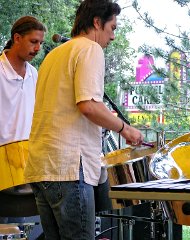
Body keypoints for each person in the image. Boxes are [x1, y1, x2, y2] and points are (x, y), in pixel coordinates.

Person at [24, 0, 144, 239]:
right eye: (113, 28)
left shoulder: (53, 55)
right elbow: (88, 105)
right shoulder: (90, 49)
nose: (113, 36)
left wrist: (104, 117)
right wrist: (125, 129)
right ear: (97, 23)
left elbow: (69, 106)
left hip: (42, 167)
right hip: (68, 167)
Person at [0, 16, 46, 224]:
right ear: (17, 38)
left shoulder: (34, 74)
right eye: (33, 41)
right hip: (3, 162)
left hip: (26, 163)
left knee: (25, 226)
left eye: (41, 43)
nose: (38, 48)